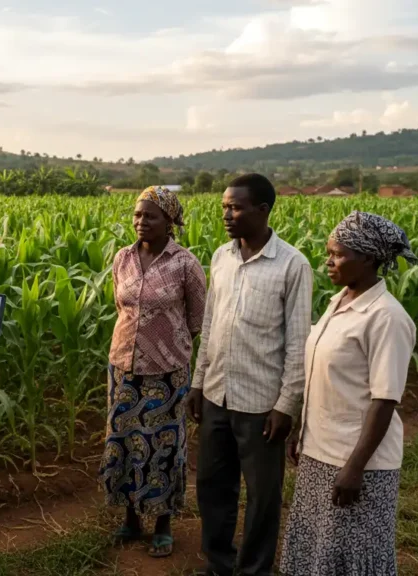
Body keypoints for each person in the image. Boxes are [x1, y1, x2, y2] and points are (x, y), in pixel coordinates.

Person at [187, 173, 313, 576]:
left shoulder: (293, 265)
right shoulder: (222, 257)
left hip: (262, 404)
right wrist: (196, 382)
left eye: (236, 207)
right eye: (225, 206)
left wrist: (286, 406)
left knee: (262, 495)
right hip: (216, 394)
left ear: (263, 210)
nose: (227, 214)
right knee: (212, 485)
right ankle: (219, 563)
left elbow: (297, 344)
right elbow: (210, 325)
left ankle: (255, 569)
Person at [280, 211, 417, 576]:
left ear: (369, 258)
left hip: (357, 462)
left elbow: (384, 400)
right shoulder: (338, 302)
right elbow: (323, 380)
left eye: (338, 254)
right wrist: (302, 432)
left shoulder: (386, 317)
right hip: (319, 452)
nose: (328, 260)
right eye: (328, 252)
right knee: (318, 551)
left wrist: (355, 467)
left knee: (352, 557)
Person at [100, 186, 207, 558]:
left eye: (151, 216)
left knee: (162, 445)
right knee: (127, 439)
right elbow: (122, 306)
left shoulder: (185, 264)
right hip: (123, 366)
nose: (141, 222)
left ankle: (163, 524)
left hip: (166, 371)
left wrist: (163, 344)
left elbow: (197, 321)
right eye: (137, 215)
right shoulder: (122, 258)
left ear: (169, 221)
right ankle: (132, 518)